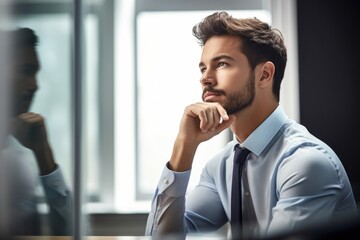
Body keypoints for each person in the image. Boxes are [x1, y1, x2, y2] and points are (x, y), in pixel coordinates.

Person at [145, 11, 358, 239]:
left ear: (264, 75)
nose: (205, 78)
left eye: (222, 64)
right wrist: (184, 146)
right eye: (203, 68)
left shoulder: (306, 163)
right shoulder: (220, 167)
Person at [0, 28, 73, 236]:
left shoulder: (18, 158)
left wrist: (44, 154)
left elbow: (72, 233)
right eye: (25, 71)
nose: (35, 85)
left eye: (35, 73)